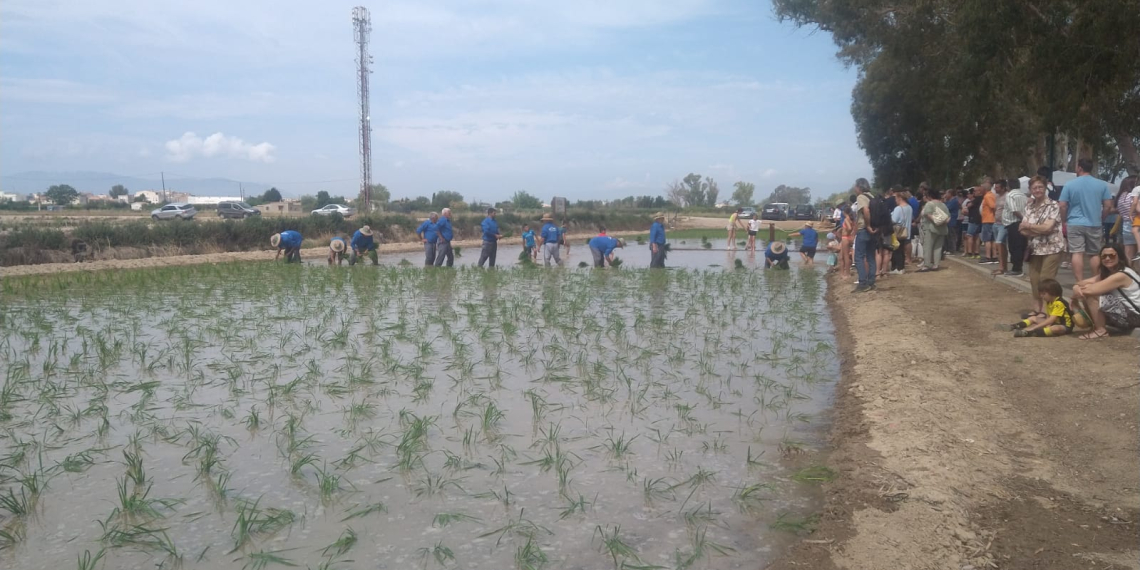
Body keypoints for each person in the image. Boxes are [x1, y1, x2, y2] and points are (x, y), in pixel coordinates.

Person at [1058, 158, 1113, 282]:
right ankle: (1096, 280)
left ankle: (1080, 282)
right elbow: (1108, 206)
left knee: (1077, 253)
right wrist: (1101, 218)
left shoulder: (1070, 184)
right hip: (1094, 222)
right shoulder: (1102, 184)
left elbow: (1062, 205)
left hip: (1074, 222)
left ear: (1079, 168)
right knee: (1094, 253)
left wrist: (1064, 220)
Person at [1071, 243, 1140, 338]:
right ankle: (1097, 325)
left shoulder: (1121, 275)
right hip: (1128, 313)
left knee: (1093, 295)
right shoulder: (1110, 273)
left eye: (1111, 255)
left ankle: (1101, 330)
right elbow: (1083, 283)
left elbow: (1091, 290)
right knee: (1088, 289)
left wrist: (1075, 294)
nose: (1107, 258)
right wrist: (1076, 287)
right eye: (1104, 256)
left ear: (1119, 256)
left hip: (1136, 316)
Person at [1020, 175, 1065, 317]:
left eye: (1040, 187)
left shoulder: (1053, 205)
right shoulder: (1029, 206)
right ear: (1030, 190)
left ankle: (1047, 310)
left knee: (1046, 279)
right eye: (1034, 188)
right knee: (1034, 280)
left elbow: (1048, 228)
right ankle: (1036, 308)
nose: (1037, 190)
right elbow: (1022, 229)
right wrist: (1037, 229)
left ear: (1045, 188)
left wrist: (1029, 226)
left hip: (1052, 247)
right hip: (1035, 248)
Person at [1007, 279, 1073, 337]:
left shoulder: (1059, 303)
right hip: (1054, 323)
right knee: (1033, 318)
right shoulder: (1049, 301)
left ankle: (1030, 333)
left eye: (1044, 294)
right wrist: (1047, 325)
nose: (1041, 296)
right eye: (1041, 294)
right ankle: (1014, 326)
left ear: (1053, 292)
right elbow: (1048, 317)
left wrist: (1034, 328)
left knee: (1055, 328)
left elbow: (1051, 319)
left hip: (1065, 326)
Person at [852, 178, 878, 292]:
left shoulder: (861, 197)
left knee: (858, 257)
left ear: (859, 187)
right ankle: (871, 282)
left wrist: (867, 225)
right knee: (871, 257)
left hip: (864, 229)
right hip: (874, 230)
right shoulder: (872, 197)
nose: (854, 188)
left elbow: (866, 211)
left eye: (855, 186)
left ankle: (862, 283)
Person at [917, 187, 950, 272]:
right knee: (938, 247)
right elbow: (948, 217)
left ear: (929, 196)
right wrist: (942, 221)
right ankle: (936, 264)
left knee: (927, 246)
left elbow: (928, 214)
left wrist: (936, 221)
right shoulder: (943, 205)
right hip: (942, 229)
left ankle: (927, 265)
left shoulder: (929, 204)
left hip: (930, 228)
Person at [1002, 179, 1028, 277]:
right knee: (1020, 246)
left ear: (1008, 186)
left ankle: (1016, 269)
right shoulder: (1023, 195)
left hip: (1014, 223)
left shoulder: (1010, 195)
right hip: (1021, 223)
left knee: (1014, 247)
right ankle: (1018, 267)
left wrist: (1023, 218)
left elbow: (1014, 210)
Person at [1113, 175, 1137, 262]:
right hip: (1136, 223)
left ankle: (1128, 269)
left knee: (1128, 253)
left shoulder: (1120, 197)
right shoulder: (1133, 196)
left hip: (1126, 225)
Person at [889, 191, 913, 274]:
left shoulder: (898, 208)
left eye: (896, 198)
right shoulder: (909, 207)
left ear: (900, 198)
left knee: (897, 250)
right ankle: (901, 267)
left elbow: (894, 220)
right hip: (906, 231)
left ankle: (899, 268)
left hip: (898, 231)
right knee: (902, 250)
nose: (895, 200)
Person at [990, 179, 1010, 274]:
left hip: (1004, 224)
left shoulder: (1008, 196)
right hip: (996, 223)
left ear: (1003, 188)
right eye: (995, 187)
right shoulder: (996, 196)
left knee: (999, 243)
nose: (996, 189)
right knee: (1001, 245)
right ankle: (1003, 266)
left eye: (997, 187)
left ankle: (1001, 267)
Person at [979, 176, 997, 264]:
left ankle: (988, 257)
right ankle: (994, 256)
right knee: (992, 239)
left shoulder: (988, 196)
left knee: (987, 239)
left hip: (988, 220)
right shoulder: (991, 195)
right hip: (992, 220)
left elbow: (993, 206)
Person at [838, 203, 856, 281]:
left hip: (845, 238)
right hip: (847, 238)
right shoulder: (852, 219)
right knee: (841, 257)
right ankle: (842, 273)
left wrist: (848, 233)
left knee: (845, 256)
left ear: (844, 212)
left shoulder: (846, 219)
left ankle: (847, 274)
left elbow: (849, 228)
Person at [964, 187, 981, 258]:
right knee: (976, 236)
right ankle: (976, 252)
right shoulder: (981, 199)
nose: (974, 193)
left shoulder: (977, 199)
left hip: (973, 219)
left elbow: (969, 206)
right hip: (979, 219)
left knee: (969, 235)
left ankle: (970, 252)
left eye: (975, 191)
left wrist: (967, 206)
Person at [944, 189, 960, 255]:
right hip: (947, 220)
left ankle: (952, 250)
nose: (945, 195)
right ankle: (947, 248)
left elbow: (946, 208)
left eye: (947, 193)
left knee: (951, 235)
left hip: (952, 220)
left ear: (950, 194)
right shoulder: (948, 201)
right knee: (947, 236)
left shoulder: (954, 201)